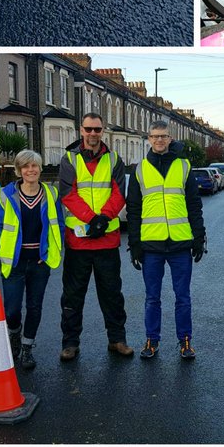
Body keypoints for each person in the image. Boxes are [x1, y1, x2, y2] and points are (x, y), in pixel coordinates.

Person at [126, 122, 206, 361]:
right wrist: (134, 244)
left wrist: (199, 236)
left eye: (163, 136)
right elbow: (133, 209)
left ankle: (185, 341)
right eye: (154, 136)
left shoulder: (183, 166)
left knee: (183, 297)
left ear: (170, 138)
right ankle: (152, 340)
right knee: (152, 298)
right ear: (148, 139)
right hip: (151, 245)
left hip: (180, 243)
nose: (159, 140)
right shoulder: (140, 169)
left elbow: (194, 204)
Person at [56, 113, 133, 361]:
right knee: (72, 296)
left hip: (106, 240)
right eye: (88, 129)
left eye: (97, 129)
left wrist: (104, 218)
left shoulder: (114, 159)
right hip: (78, 241)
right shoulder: (69, 159)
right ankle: (70, 343)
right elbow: (68, 195)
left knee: (112, 294)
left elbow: (119, 193)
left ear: (103, 131)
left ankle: (117, 340)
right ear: (81, 130)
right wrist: (93, 219)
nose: (92, 134)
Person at [0, 150, 65, 371]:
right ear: (19, 170)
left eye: (34, 166)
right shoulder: (5, 195)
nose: (31, 170)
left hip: (40, 263)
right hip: (14, 262)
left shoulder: (51, 194)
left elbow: (59, 225)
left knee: (35, 307)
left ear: (40, 168)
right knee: (12, 310)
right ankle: (14, 334)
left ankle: (27, 347)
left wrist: (50, 253)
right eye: (25, 166)